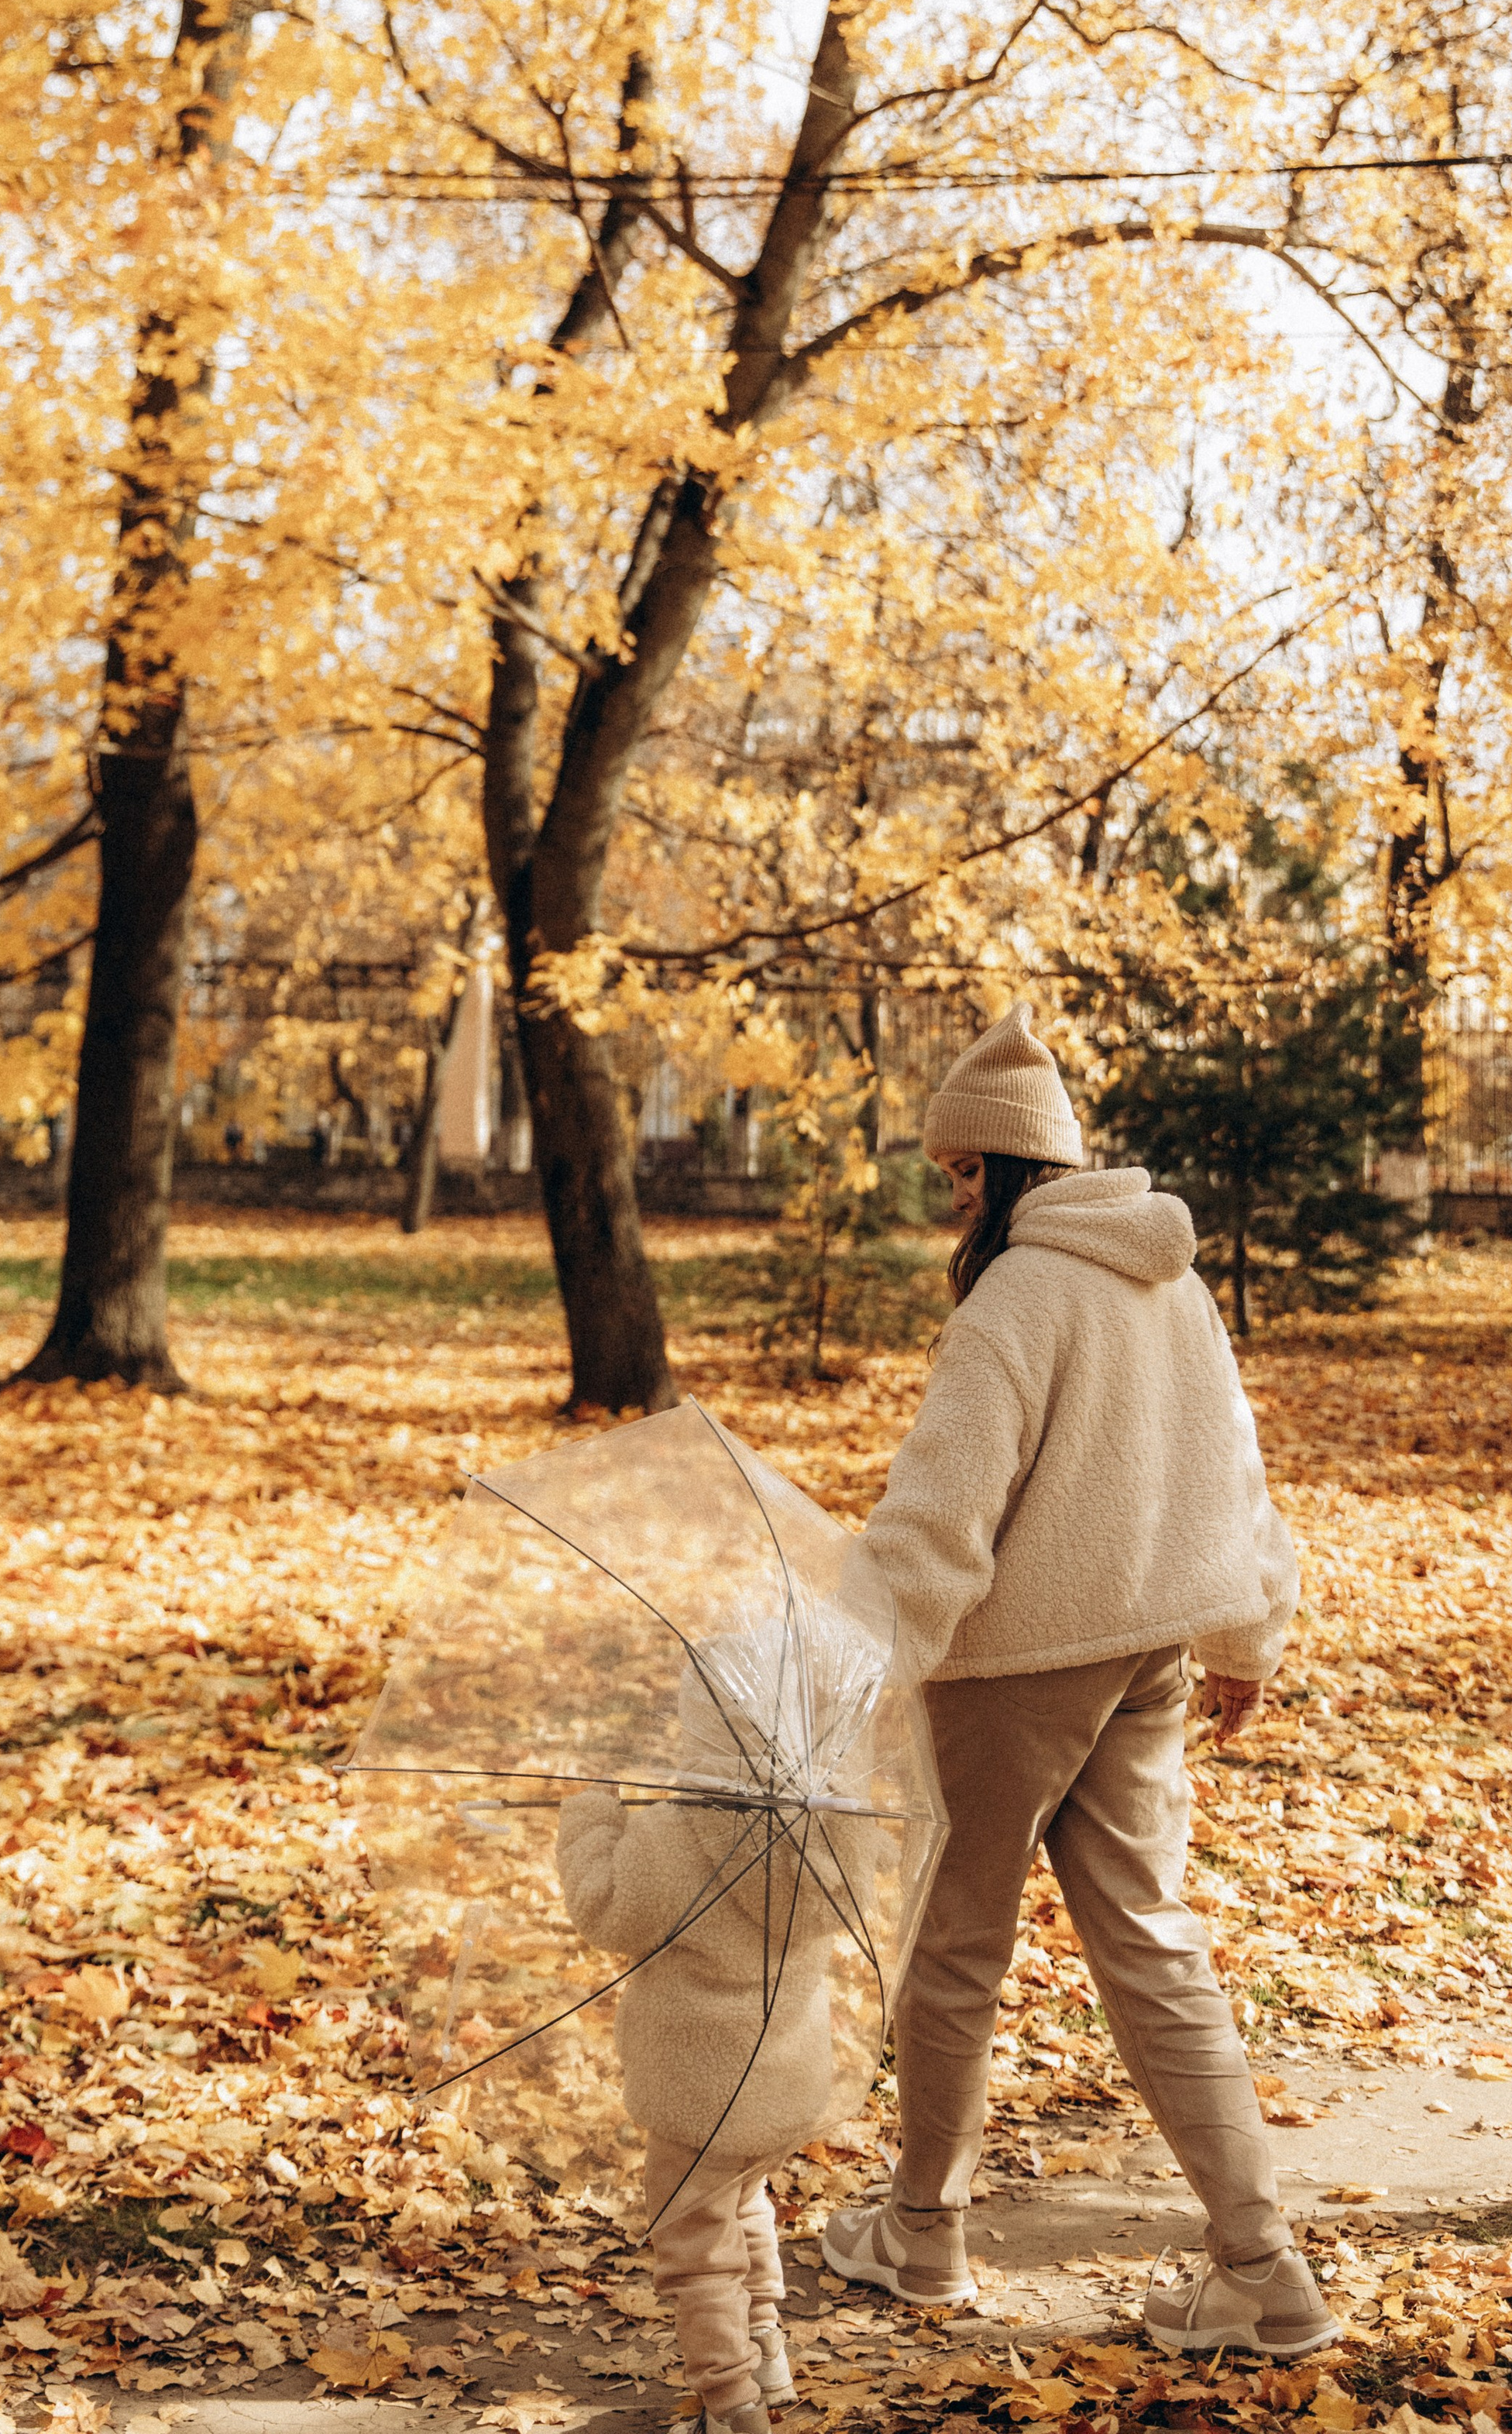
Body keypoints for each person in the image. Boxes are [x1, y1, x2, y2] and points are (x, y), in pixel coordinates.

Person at [821, 1002, 1336, 2360]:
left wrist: (845, 1667)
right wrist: (1248, 1638)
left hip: (1009, 1672)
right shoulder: (1173, 1282)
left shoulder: (1015, 1299)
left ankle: (921, 2234)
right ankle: (1263, 2269)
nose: (952, 1198)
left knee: (955, 1951)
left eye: (960, 1171)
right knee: (1154, 1943)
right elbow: (1237, 1472)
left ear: (1005, 1165)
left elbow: (937, 1524)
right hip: (1147, 1655)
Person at [558, 1614, 876, 2434]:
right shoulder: (830, 1831)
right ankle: (766, 2351)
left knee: (696, 2249)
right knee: (745, 2204)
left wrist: (591, 1813)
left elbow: (603, 1907)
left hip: (696, 2094)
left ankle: (730, 2403)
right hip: (782, 2081)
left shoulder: (672, 1838)